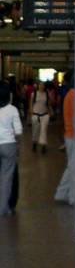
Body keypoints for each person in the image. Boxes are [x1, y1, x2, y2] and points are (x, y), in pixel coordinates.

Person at [0, 82, 23, 216]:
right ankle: (4, 208)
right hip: (9, 145)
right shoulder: (12, 109)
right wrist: (17, 145)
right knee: (7, 178)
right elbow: (18, 130)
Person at [54, 71, 75, 206]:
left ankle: (61, 193)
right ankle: (73, 197)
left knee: (71, 166)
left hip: (69, 135)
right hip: (73, 136)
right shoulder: (74, 95)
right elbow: (74, 119)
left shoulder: (69, 94)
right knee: (74, 168)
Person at [30, 80, 50, 153]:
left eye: (43, 85)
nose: (42, 86)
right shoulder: (33, 94)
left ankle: (43, 145)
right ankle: (34, 143)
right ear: (38, 86)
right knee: (35, 131)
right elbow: (31, 104)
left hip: (45, 115)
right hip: (35, 115)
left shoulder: (47, 94)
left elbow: (49, 104)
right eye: (40, 85)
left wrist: (50, 113)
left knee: (43, 130)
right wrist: (31, 113)